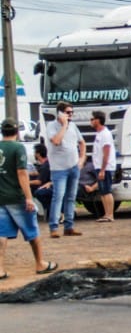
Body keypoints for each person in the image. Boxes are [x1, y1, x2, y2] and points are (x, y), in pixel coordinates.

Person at [0, 118, 57, 278]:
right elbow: (22, 173)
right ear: (17, 132)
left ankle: (0, 268)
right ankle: (40, 263)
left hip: (1, 197)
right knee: (32, 230)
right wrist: (29, 197)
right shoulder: (18, 148)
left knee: (1, 233)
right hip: (17, 197)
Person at [45, 100, 86, 239]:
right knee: (58, 197)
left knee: (71, 197)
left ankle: (69, 226)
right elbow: (56, 141)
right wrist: (64, 125)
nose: (70, 115)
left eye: (71, 112)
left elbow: (82, 142)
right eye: (68, 112)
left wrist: (82, 158)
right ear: (60, 113)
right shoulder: (51, 126)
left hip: (73, 166)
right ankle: (54, 227)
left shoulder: (73, 126)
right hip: (58, 169)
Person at [89, 110, 117, 222]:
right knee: (102, 191)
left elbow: (106, 152)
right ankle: (106, 213)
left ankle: (110, 214)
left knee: (107, 190)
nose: (90, 122)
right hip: (99, 166)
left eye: (92, 119)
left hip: (106, 167)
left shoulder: (105, 134)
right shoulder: (99, 134)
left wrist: (103, 169)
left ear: (98, 120)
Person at [29, 144, 52, 210]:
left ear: (38, 154)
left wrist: (24, 182)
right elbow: (38, 172)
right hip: (46, 183)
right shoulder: (46, 163)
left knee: (36, 192)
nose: (34, 154)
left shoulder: (45, 166)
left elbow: (39, 182)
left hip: (47, 185)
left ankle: (50, 209)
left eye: (34, 152)